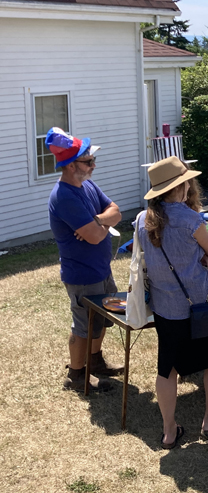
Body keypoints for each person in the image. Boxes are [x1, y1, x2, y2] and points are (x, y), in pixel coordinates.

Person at [138, 156, 208, 449]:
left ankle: (169, 430)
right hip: (197, 303)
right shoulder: (190, 219)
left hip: (164, 307)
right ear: (183, 186)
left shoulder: (141, 219)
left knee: (167, 369)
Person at [46, 127, 124, 392]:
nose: (93, 165)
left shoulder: (87, 184)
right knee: (83, 325)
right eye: (87, 161)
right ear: (69, 166)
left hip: (101, 269)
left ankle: (95, 361)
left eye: (92, 160)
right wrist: (98, 227)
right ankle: (77, 375)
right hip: (81, 274)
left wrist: (98, 220)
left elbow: (116, 212)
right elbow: (92, 237)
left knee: (101, 320)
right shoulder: (64, 196)